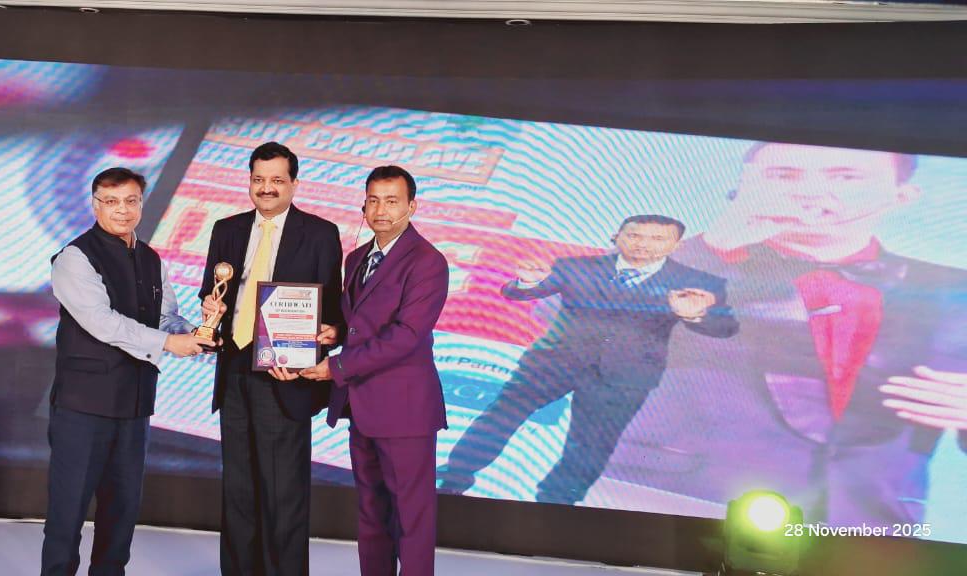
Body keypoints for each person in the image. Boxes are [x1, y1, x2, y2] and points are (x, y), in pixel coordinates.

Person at [613, 142, 967, 526]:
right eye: (784, 175)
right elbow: (583, 329)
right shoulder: (681, 264)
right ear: (743, 186)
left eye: (846, 177)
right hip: (660, 510)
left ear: (902, 196)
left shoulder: (955, 291)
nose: (810, 192)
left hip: (867, 530)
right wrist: (712, 247)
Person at [440, 214, 738, 505]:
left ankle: (557, 503)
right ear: (616, 237)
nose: (643, 244)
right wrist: (527, 283)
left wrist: (696, 314)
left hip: (625, 377)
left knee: (592, 444)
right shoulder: (575, 266)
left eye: (657, 238)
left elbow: (725, 327)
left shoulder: (698, 282)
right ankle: (454, 477)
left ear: (676, 245)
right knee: (500, 417)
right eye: (634, 235)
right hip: (552, 363)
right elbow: (516, 293)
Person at [41, 167, 212, 576]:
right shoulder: (74, 258)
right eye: (111, 201)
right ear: (95, 205)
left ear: (141, 204)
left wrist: (196, 332)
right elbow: (103, 323)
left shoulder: (151, 258)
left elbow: (165, 316)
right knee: (68, 513)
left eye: (131, 200)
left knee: (121, 513)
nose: (122, 209)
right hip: (83, 407)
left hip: (134, 404)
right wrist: (169, 343)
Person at [198, 142, 344, 576]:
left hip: (285, 376)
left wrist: (331, 334)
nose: (267, 188)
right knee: (238, 492)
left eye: (277, 180)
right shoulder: (226, 229)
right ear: (249, 181)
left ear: (294, 184)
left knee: (284, 496)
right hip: (234, 371)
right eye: (258, 179)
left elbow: (334, 310)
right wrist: (210, 308)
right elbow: (212, 291)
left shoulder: (320, 234)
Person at [297, 165, 448, 575]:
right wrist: (335, 332)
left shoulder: (428, 262)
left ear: (412, 206)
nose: (381, 210)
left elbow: (406, 335)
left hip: (405, 411)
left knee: (411, 518)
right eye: (373, 200)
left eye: (392, 201)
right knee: (371, 512)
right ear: (363, 204)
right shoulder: (358, 257)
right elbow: (361, 323)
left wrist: (337, 366)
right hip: (361, 405)